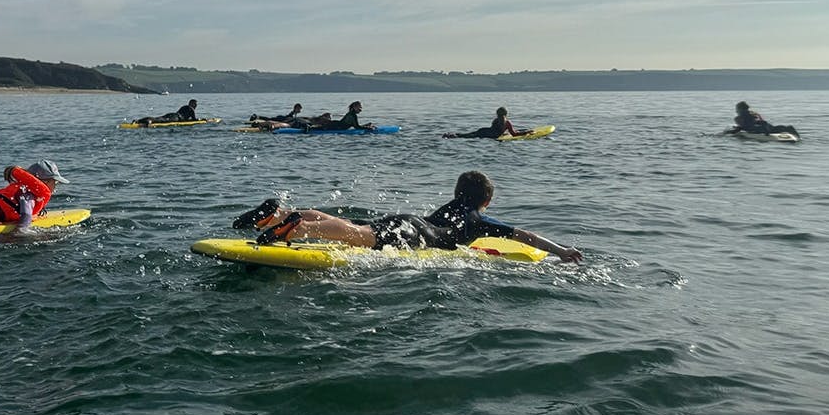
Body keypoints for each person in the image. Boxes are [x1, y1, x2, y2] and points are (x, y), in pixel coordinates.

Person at [231, 170, 583, 263]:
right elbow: (527, 238)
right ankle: (299, 228)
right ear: (486, 200)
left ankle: (281, 213)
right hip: (416, 235)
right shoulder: (480, 220)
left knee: (357, 228)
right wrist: (563, 251)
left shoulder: (451, 207)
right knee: (357, 236)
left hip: (409, 220)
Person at [443, 107, 527, 139]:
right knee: (469, 136)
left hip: (485, 131)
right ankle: (452, 136)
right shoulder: (507, 122)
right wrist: (526, 132)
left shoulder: (495, 120)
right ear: (506, 114)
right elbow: (514, 134)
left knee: (467, 135)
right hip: (491, 135)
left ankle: (451, 135)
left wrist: (504, 133)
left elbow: (495, 129)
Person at [727, 102, 799, 137]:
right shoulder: (754, 114)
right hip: (766, 126)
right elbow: (761, 121)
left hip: (757, 129)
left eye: (736, 109)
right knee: (784, 128)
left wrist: (727, 133)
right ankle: (793, 132)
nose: (736, 111)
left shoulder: (738, 118)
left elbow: (743, 127)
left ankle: (767, 131)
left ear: (740, 109)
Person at [135, 99, 201, 126]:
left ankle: (139, 120)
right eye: (195, 104)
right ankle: (148, 122)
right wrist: (201, 120)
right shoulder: (191, 109)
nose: (195, 106)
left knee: (159, 118)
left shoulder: (184, 106)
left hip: (173, 114)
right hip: (176, 118)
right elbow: (194, 119)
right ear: (192, 104)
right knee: (161, 120)